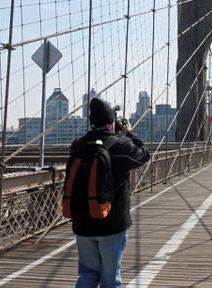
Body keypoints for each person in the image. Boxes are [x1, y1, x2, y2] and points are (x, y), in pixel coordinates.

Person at [70, 98, 150, 288]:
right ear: (112, 123)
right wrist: (128, 132)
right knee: (110, 281)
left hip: (82, 222)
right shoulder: (120, 145)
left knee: (87, 275)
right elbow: (144, 155)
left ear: (91, 122)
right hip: (111, 224)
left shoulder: (78, 145)